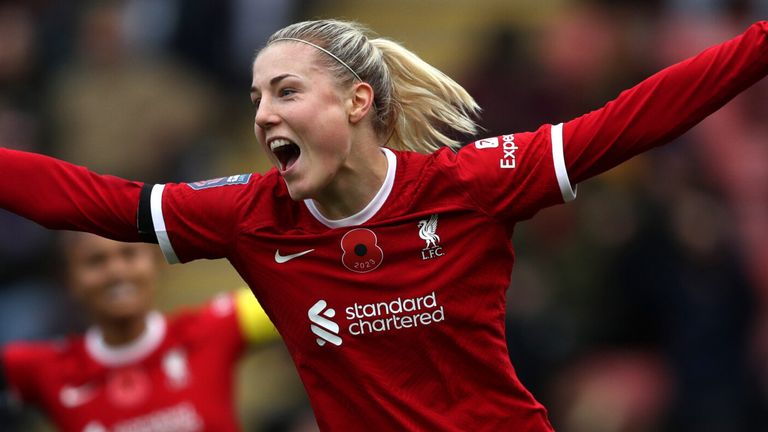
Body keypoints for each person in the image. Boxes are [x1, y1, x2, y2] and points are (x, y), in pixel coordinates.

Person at [0, 17, 766, 431]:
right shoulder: (249, 215)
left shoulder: (472, 184)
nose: (264, 114)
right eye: (258, 98)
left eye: (288, 91)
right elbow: (92, 201)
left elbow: (634, 120)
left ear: (358, 103)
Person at [0, 232, 279, 432]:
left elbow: (302, 293)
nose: (116, 272)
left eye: (129, 254)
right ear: (69, 280)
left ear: (157, 264)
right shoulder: (40, 368)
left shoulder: (216, 326)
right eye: (96, 261)